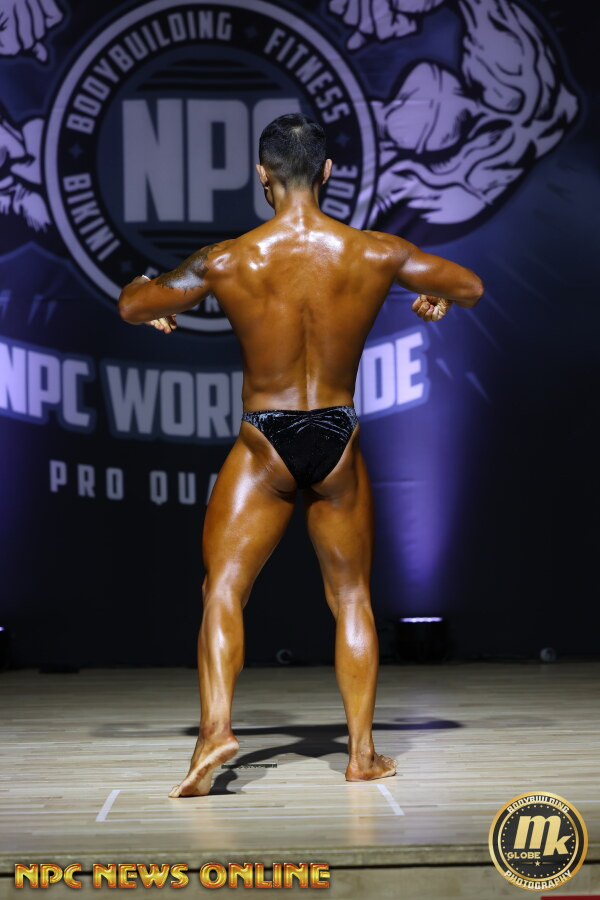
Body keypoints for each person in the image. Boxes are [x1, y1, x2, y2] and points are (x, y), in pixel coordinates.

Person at [118, 113, 484, 797]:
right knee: (351, 596)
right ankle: (361, 754)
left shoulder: (230, 259)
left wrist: (153, 295)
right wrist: (435, 295)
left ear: (261, 174)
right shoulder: (375, 252)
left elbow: (134, 304)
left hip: (266, 439)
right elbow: (470, 286)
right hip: (337, 435)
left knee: (223, 588)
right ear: (327, 172)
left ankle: (215, 731)